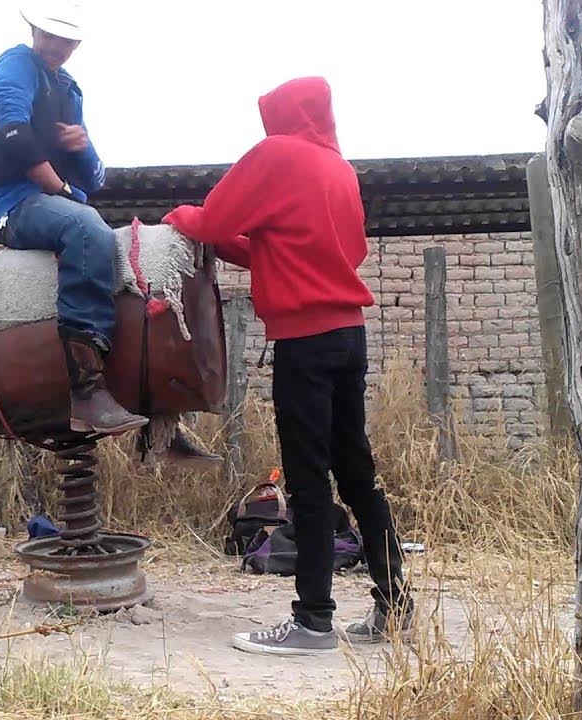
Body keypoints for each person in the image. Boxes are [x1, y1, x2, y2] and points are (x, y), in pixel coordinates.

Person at [163, 77, 414, 655]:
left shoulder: (276, 154)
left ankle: (313, 621)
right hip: (349, 336)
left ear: (280, 115)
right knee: (356, 471)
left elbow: (213, 221)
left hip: (304, 342)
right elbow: (320, 251)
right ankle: (393, 605)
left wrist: (179, 217)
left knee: (307, 477)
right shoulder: (339, 170)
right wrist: (236, 245)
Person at [0, 2, 220, 465]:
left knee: (136, 258)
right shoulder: (14, 66)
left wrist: (83, 150)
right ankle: (86, 391)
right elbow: (12, 132)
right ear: (33, 31)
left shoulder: (69, 88)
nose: (58, 47)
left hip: (63, 202)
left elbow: (95, 178)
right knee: (89, 231)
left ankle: (158, 418)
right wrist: (60, 185)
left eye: (67, 40)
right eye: (50, 36)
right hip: (20, 206)